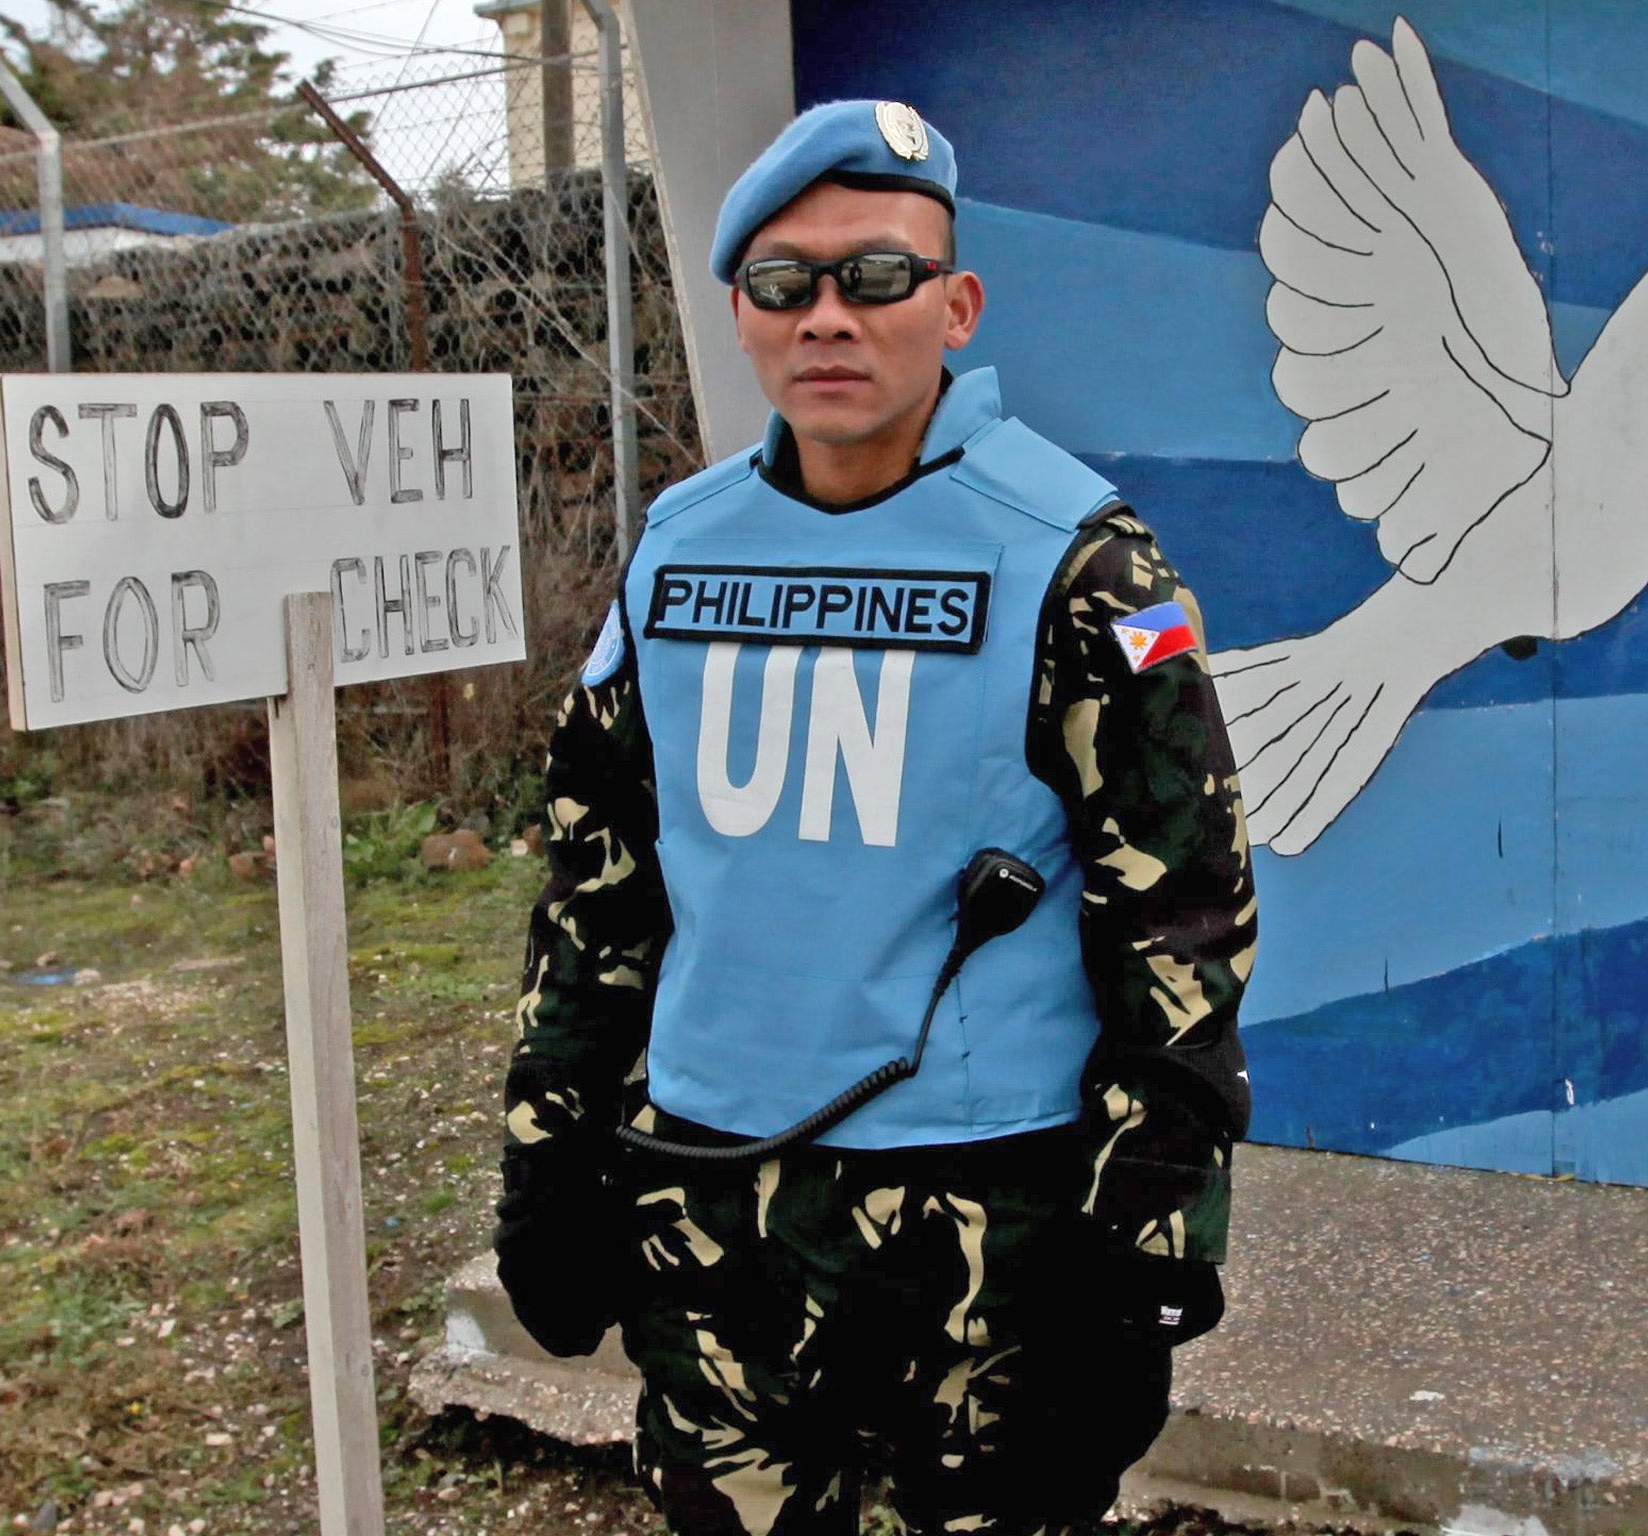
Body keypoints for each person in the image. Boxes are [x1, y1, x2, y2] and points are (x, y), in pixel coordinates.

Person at [494, 98, 1256, 1535]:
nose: (829, 316)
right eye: (787, 284)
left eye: (879, 276)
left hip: (979, 1244)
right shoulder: (679, 549)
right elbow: (601, 887)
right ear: (740, 313)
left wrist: (1147, 1251)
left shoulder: (1079, 562)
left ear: (955, 305)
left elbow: (1184, 919)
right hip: (706, 1211)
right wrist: (549, 1149)